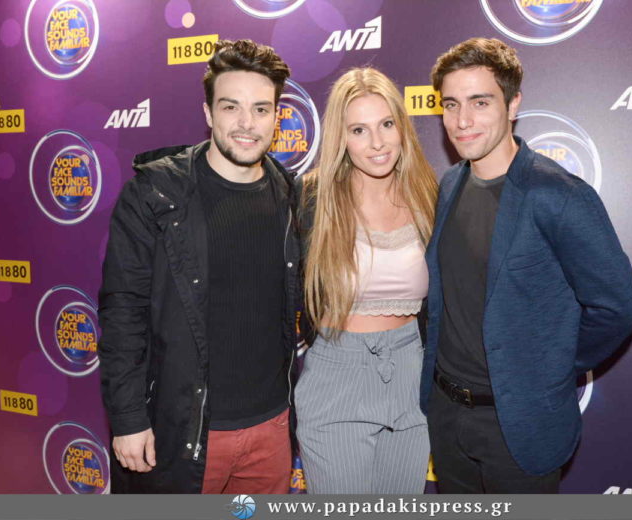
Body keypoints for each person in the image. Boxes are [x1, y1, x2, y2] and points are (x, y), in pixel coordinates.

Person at [420, 37, 632, 493]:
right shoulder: (449, 184)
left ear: (513, 103)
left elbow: (615, 308)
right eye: (451, 104)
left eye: (480, 102)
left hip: (519, 426)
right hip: (447, 415)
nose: (462, 121)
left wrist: (549, 364)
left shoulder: (558, 195)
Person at [98, 39, 300, 494]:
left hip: (271, 429)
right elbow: (123, 311)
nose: (247, 123)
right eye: (231, 107)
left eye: (261, 109)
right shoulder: (154, 195)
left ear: (277, 117)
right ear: (208, 113)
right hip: (184, 430)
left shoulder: (291, 196)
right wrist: (128, 418)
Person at [296, 67, 438, 494]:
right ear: (341, 137)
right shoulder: (313, 198)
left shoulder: (429, 193)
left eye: (386, 124)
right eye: (359, 130)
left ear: (402, 126)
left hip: (413, 371)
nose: (377, 142)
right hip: (337, 374)